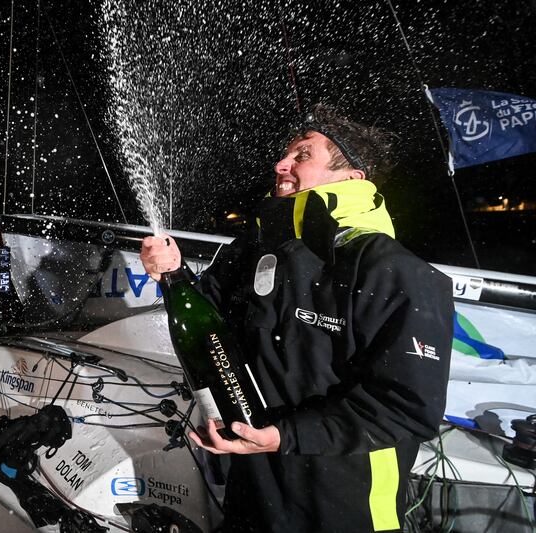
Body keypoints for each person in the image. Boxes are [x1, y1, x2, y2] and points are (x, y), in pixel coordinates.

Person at [140, 105, 453, 532]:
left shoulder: (394, 271)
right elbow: (208, 321)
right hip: (253, 491)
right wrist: (172, 274)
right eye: (286, 155)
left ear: (351, 178)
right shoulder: (252, 249)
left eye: (302, 155)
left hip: (344, 505)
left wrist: (285, 436)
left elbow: (406, 409)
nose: (281, 164)